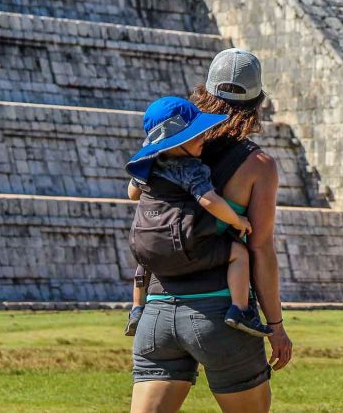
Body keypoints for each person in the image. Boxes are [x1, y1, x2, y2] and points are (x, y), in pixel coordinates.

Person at [130, 49, 292, 413]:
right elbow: (260, 249)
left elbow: (141, 196)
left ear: (202, 93)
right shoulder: (258, 165)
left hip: (155, 313)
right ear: (257, 102)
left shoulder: (165, 147)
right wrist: (276, 326)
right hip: (219, 314)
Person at [124, 96, 272, 337]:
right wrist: (237, 221)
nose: (204, 137)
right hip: (183, 245)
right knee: (239, 254)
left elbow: (132, 193)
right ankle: (239, 309)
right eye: (196, 134)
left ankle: (137, 308)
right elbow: (209, 201)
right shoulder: (191, 168)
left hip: (144, 244)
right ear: (177, 142)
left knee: (145, 256)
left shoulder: (147, 163)